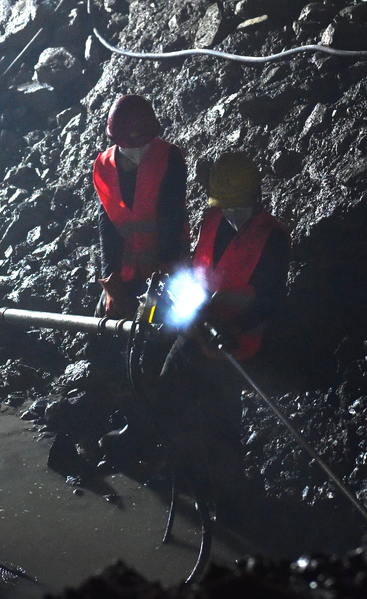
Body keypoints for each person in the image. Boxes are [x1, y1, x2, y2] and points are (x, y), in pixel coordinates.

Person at [146, 151, 290, 492]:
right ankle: (179, 471)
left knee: (222, 419)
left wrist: (235, 329)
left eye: (238, 207)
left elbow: (270, 301)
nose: (231, 214)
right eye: (225, 206)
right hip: (198, 331)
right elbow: (198, 269)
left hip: (235, 343)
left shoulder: (272, 237)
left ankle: (229, 492)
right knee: (169, 392)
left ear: (256, 197)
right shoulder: (213, 220)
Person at [93, 94, 189, 319]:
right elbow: (107, 229)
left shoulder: (169, 158)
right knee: (105, 320)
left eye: (143, 146)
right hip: (127, 271)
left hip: (167, 269)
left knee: (159, 327)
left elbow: (172, 224)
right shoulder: (104, 167)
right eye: (129, 147)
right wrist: (112, 285)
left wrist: (160, 284)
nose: (137, 154)